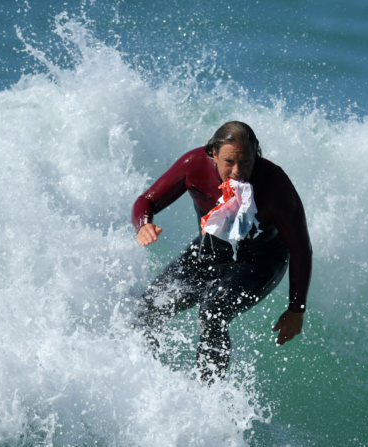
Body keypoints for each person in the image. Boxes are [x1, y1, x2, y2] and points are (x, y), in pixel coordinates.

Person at [132, 121, 312, 382]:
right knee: (148, 308)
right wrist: (143, 224)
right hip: (211, 250)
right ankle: (142, 376)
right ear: (213, 154)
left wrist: (297, 309)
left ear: (256, 156)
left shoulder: (276, 186)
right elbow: (145, 201)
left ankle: (208, 395)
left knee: (212, 310)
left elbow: (301, 250)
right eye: (229, 162)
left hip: (261, 260)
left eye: (246, 162)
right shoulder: (193, 167)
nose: (238, 172)